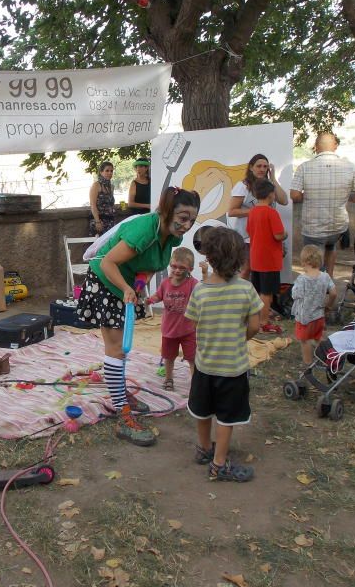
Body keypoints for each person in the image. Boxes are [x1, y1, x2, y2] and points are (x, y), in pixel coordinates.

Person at [77, 187, 201, 446]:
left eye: (192, 219)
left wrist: (140, 284)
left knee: (122, 350)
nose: (187, 225)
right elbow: (108, 262)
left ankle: (120, 394)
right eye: (182, 218)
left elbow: (147, 265)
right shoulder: (145, 229)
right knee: (116, 350)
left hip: (124, 287)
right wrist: (126, 289)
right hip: (106, 282)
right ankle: (123, 416)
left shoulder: (171, 236)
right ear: (167, 212)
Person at [184, 226, 262, 482]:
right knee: (227, 418)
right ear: (240, 258)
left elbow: (194, 325)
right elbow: (254, 326)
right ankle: (219, 464)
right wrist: (240, 339)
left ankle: (204, 448)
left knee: (203, 411)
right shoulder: (246, 290)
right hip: (233, 368)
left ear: (209, 258)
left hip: (205, 366)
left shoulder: (200, 291)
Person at [290, 133, 355, 276]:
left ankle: (316, 284)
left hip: (313, 227)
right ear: (335, 146)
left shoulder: (304, 167)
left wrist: (307, 195)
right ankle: (329, 280)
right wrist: (348, 197)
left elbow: (294, 195)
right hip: (337, 226)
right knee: (331, 247)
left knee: (313, 260)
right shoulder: (351, 167)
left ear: (316, 147)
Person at [227, 154, 288, 278]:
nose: (262, 169)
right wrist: (258, 211)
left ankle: (259, 296)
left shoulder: (269, 185)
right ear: (251, 167)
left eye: (265, 166)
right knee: (246, 270)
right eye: (258, 166)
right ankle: (239, 296)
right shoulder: (243, 186)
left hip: (268, 237)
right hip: (246, 237)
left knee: (265, 270)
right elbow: (232, 211)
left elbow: (284, 201)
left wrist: (273, 178)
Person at [146, 246, 198, 391]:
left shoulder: (192, 284)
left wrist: (206, 273)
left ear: (190, 269)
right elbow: (159, 295)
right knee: (168, 357)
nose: (177, 270)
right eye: (174, 266)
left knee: (192, 358)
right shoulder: (165, 283)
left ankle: (196, 383)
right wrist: (150, 300)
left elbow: (202, 293)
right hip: (169, 330)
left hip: (188, 330)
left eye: (182, 268)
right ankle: (169, 379)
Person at [246, 180, 287, 334]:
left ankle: (255, 320)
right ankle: (264, 322)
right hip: (269, 259)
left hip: (256, 257)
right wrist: (285, 234)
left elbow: (249, 231)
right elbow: (278, 235)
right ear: (271, 194)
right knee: (267, 293)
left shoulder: (252, 212)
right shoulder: (271, 212)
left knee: (257, 291)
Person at [291, 245, 337, 368]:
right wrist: (329, 306)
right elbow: (333, 293)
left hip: (304, 318)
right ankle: (330, 356)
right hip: (319, 316)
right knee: (318, 337)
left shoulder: (302, 279)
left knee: (305, 340)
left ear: (305, 262)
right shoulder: (325, 277)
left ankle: (308, 363)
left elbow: (295, 295)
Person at [88, 161, 117, 236]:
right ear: (101, 172)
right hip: (99, 221)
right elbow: (92, 204)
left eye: (111, 171)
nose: (110, 173)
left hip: (110, 220)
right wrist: (97, 221)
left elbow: (110, 204)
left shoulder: (111, 186)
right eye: (107, 171)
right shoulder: (96, 185)